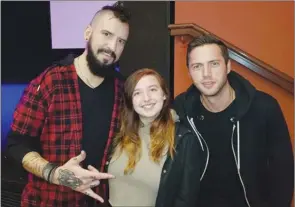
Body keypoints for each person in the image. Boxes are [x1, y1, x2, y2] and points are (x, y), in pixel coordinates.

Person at [6, 3, 131, 206]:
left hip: (98, 201)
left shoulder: (122, 90)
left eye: (121, 41)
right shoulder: (50, 82)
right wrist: (55, 173)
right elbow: (16, 144)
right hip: (48, 201)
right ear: (88, 32)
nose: (112, 47)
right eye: (106, 34)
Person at [173, 34, 294, 207]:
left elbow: (283, 173)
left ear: (228, 66)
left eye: (214, 64)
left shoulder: (264, 107)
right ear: (189, 72)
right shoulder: (182, 108)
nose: (206, 74)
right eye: (197, 66)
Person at [100, 68, 203, 207]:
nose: (146, 98)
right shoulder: (119, 132)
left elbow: (186, 200)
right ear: (130, 100)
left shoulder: (184, 140)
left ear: (164, 94)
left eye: (153, 90)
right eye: (137, 93)